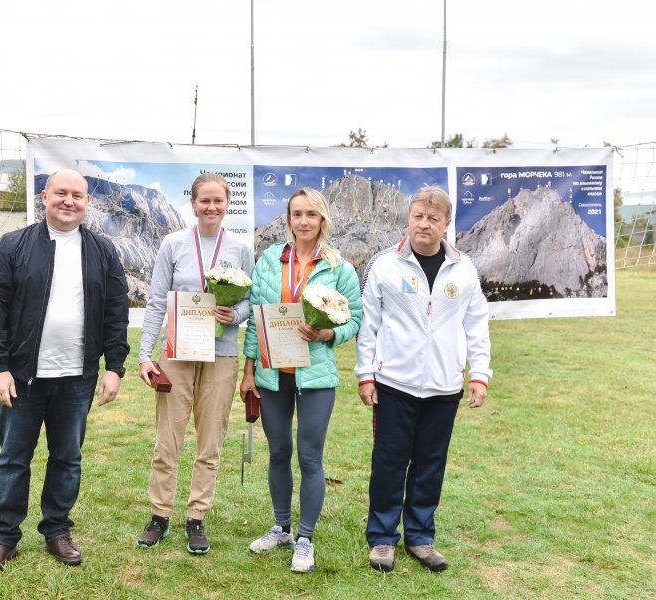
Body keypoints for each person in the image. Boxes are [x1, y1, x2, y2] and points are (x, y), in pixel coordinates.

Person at [0, 169, 130, 574]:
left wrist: (114, 367)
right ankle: (3, 538)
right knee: (13, 458)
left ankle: (57, 530)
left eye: (77, 195)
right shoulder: (13, 245)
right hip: (22, 377)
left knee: (67, 457)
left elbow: (116, 312)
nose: (69, 201)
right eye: (60, 193)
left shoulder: (102, 251)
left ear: (87, 202)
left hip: (77, 378)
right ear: (44, 197)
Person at [355, 186, 492, 573]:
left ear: (447, 224)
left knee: (430, 464)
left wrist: (479, 374)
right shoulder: (384, 264)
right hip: (393, 383)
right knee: (389, 461)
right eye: (418, 216)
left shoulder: (464, 269)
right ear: (409, 218)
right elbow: (369, 326)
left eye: (433, 218)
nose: (424, 224)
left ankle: (420, 536)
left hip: (444, 386)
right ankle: (382, 539)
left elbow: (477, 326)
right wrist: (366, 374)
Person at [240, 187, 363, 573]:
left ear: (322, 219)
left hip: (315, 375)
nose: (304, 221)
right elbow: (257, 318)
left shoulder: (338, 266)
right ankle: (281, 527)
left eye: (311, 214)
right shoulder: (269, 260)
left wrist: (327, 334)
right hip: (273, 371)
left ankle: (305, 538)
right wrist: (248, 371)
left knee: (310, 457)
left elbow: (354, 319)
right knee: (278, 452)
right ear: (288, 219)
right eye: (297, 214)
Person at [136, 173, 254, 554]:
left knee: (210, 439)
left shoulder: (239, 247)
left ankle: (197, 516)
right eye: (205, 200)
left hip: (222, 355)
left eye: (219, 200)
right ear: (193, 203)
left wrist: (232, 316)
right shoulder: (173, 244)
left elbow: (250, 301)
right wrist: (144, 355)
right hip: (178, 353)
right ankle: (159, 515)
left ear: (227, 204)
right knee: (167, 437)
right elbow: (156, 301)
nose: (212, 207)